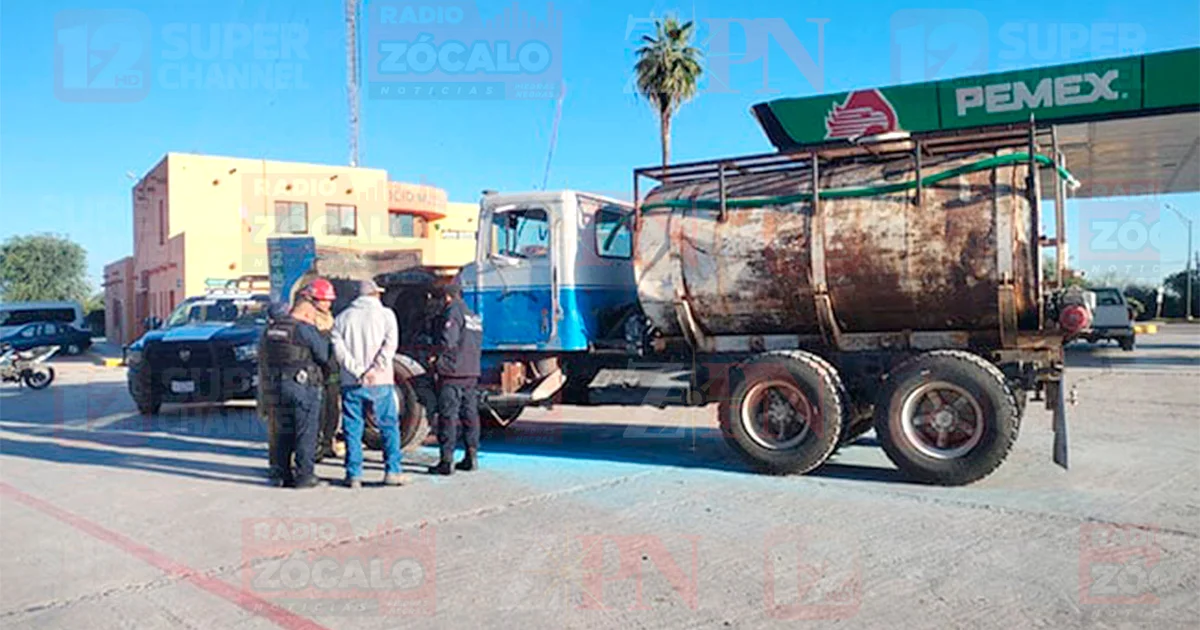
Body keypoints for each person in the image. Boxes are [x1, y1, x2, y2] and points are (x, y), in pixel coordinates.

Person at [332, 278, 404, 489]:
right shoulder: (386, 315)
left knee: (353, 428)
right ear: (375, 294)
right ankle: (392, 471)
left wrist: (357, 371)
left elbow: (340, 352)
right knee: (389, 426)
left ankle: (354, 475)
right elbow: (390, 346)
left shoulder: (342, 318)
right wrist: (374, 370)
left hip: (351, 382)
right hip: (380, 381)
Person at [260, 299, 333, 489]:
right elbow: (323, 355)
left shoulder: (271, 330)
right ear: (308, 315)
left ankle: (282, 474)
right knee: (305, 431)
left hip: (276, 385)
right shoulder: (303, 329)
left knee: (283, 431)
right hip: (301, 385)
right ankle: (304, 475)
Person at [428, 282, 483, 476]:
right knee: (470, 415)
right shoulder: (473, 315)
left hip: (452, 372)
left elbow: (448, 341)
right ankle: (471, 456)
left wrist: (436, 359)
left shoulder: (452, 312)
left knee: (448, 416)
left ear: (447, 298)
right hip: (471, 371)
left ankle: (446, 461)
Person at [290, 278, 341, 462]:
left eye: (329, 300)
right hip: (316, 371)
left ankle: (327, 443)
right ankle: (315, 447)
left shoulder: (328, 316)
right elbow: (317, 348)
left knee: (332, 410)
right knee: (317, 412)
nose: (327, 304)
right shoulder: (306, 317)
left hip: (331, 370)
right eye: (324, 300)